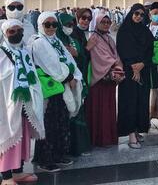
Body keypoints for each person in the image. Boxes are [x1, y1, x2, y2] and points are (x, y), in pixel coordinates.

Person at [31, 12, 83, 172]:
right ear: (40, 25)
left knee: (61, 122)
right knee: (49, 124)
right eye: (48, 24)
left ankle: (58, 154)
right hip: (51, 88)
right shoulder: (39, 43)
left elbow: (68, 59)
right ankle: (45, 159)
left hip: (62, 86)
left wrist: (75, 75)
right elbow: (50, 65)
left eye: (54, 24)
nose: (52, 28)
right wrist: (69, 77)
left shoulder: (56, 41)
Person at [0, 19, 45, 185]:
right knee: (8, 135)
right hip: (7, 103)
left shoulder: (24, 51)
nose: (17, 34)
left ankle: (18, 171)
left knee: (22, 136)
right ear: (5, 33)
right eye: (12, 31)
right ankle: (6, 176)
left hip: (25, 102)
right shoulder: (1, 52)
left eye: (19, 31)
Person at [117, 4, 153, 149]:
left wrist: (142, 64)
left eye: (141, 14)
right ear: (131, 13)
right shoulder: (124, 30)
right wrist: (134, 68)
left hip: (143, 70)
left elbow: (150, 51)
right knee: (130, 102)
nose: (138, 16)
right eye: (136, 13)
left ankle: (137, 130)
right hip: (129, 72)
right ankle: (130, 133)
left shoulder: (145, 31)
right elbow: (123, 50)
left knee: (141, 101)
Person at [85, 12, 124, 147]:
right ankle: (98, 139)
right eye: (103, 22)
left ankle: (108, 137)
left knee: (108, 109)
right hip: (99, 80)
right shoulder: (94, 37)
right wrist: (115, 65)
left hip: (109, 80)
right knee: (98, 110)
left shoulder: (109, 38)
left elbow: (115, 54)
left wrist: (118, 66)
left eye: (108, 22)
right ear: (97, 23)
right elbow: (100, 57)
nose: (106, 25)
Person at [56, 13, 91, 156]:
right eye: (66, 25)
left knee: (77, 112)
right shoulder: (55, 42)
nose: (69, 28)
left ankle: (78, 147)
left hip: (76, 82)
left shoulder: (73, 40)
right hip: (61, 85)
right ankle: (63, 150)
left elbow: (83, 58)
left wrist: (77, 54)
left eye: (71, 25)